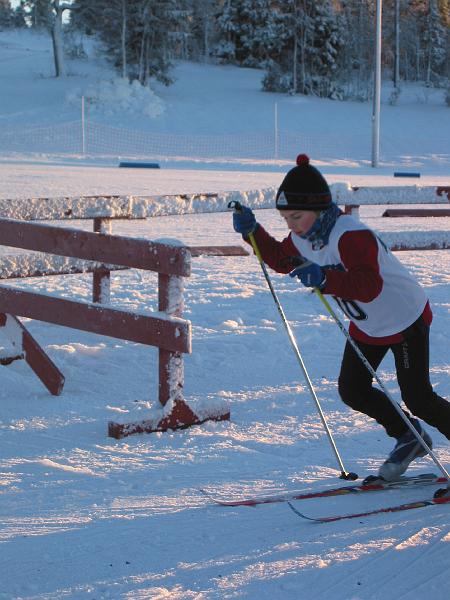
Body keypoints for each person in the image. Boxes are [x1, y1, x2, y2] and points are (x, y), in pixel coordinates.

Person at [232, 153, 450, 482]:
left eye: (296, 216)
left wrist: (325, 278)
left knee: (418, 397)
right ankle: (410, 438)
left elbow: (369, 285)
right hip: (368, 325)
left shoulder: (350, 236)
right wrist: (253, 232)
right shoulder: (302, 238)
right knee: (352, 389)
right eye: (285, 218)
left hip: (404, 319)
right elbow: (279, 259)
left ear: (318, 210)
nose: (290, 225)